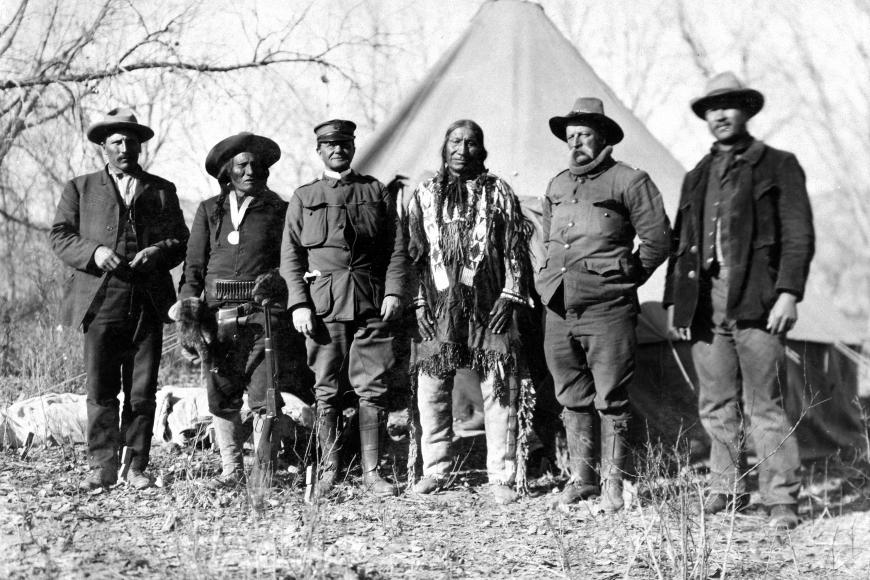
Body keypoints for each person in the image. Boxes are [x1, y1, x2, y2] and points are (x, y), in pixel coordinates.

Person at [664, 72, 814, 531]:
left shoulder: (778, 165)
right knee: (714, 403)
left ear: (746, 111)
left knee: (765, 404)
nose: (720, 115)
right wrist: (677, 303)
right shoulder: (696, 176)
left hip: (758, 299)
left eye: (729, 105)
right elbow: (679, 244)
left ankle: (780, 498)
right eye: (712, 108)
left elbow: (798, 236)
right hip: (704, 304)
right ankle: (726, 488)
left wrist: (788, 293)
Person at [537, 98, 670, 512]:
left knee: (610, 397)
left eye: (584, 134)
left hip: (607, 308)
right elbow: (547, 239)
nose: (575, 142)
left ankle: (615, 485)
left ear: (604, 138)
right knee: (571, 393)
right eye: (570, 135)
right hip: (558, 306)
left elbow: (659, 240)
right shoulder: (557, 185)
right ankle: (583, 479)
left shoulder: (629, 181)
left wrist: (624, 279)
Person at [50, 108, 189, 490]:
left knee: (143, 390)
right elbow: (59, 235)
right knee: (100, 387)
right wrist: (94, 253)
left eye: (131, 141)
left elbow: (182, 241)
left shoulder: (162, 189)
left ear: (141, 145)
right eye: (116, 142)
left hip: (148, 299)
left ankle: (137, 466)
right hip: (100, 299)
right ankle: (103, 464)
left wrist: (159, 251)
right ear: (103, 147)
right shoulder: (79, 188)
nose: (125, 147)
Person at [406, 119, 534, 504]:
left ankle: (502, 473)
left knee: (497, 385)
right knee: (432, 386)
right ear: (444, 148)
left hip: (488, 302)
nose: (462, 149)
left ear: (483, 149)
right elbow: (412, 254)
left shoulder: (499, 193)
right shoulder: (424, 195)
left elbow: (515, 247)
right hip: (438, 302)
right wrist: (418, 301)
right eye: (455, 142)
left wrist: (510, 297)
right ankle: (435, 469)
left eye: (471, 143)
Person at [280, 119, 407, 497]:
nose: (338, 150)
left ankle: (372, 472)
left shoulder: (374, 191)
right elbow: (291, 256)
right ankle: (330, 470)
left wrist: (394, 292)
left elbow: (396, 248)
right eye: (330, 145)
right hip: (323, 306)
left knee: (373, 388)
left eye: (344, 143)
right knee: (326, 388)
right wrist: (299, 305)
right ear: (318, 150)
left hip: (371, 301)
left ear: (353, 147)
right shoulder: (304, 197)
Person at [173, 132, 291, 489]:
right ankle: (231, 469)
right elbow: (193, 267)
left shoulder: (279, 209)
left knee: (262, 391)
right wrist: (190, 320)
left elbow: (290, 262)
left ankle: (264, 469)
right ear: (227, 172)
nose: (251, 170)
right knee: (221, 392)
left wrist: (276, 283)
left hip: (262, 317)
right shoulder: (210, 210)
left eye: (257, 164)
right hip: (216, 317)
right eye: (242, 165)